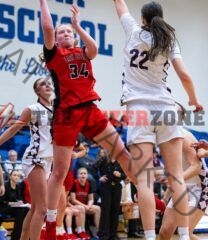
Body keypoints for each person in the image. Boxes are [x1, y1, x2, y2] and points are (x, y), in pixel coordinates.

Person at [39, 1, 135, 239]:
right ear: (57, 40)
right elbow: (48, 30)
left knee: (122, 152)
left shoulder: (82, 51)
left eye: (68, 32)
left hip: (90, 108)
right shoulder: (54, 54)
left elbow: (94, 49)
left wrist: (78, 26)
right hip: (66, 113)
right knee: (60, 171)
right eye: (62, 33)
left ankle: (143, 190)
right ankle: (51, 223)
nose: (64, 34)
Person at [113, 1, 203, 240]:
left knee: (143, 180)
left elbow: (120, 7)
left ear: (142, 18)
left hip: (139, 109)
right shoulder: (167, 40)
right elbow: (184, 75)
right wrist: (194, 100)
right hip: (165, 107)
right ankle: (184, 235)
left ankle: (150, 237)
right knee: (176, 176)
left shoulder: (133, 30)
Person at [0, 78, 53, 240]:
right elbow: (12, 130)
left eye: (48, 83)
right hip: (35, 158)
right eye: (42, 84)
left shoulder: (58, 108)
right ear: (36, 91)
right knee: (42, 209)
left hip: (48, 160)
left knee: (35, 208)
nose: (47, 85)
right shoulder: (32, 109)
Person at [159, 128, 208, 240]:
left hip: (199, 187)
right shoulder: (164, 139)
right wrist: (165, 200)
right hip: (181, 186)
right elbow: (174, 174)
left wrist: (205, 152)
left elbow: (196, 167)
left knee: (187, 234)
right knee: (164, 232)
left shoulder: (183, 136)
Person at [95, 148, 126, 240]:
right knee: (106, 211)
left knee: (115, 210)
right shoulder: (103, 159)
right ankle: (104, 235)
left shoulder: (121, 161)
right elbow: (92, 168)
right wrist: (99, 177)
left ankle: (113, 235)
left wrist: (120, 175)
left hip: (117, 187)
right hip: (106, 187)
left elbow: (125, 175)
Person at [0, 170, 29, 240]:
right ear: (10, 176)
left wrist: (21, 203)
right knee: (21, 210)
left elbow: (20, 199)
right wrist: (12, 203)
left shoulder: (18, 187)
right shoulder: (5, 186)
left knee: (26, 210)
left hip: (15, 208)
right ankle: (16, 236)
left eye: (18, 176)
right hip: (4, 208)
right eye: (14, 175)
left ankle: (25, 235)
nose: (16, 177)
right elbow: (1, 201)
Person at [70, 167, 100, 238]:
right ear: (78, 175)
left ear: (87, 175)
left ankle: (98, 231)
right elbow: (73, 200)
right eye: (81, 173)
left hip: (84, 206)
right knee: (81, 208)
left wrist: (89, 205)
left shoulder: (88, 184)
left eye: (84, 173)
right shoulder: (74, 183)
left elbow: (91, 199)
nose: (83, 175)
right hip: (74, 205)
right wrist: (85, 206)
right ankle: (82, 231)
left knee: (97, 208)